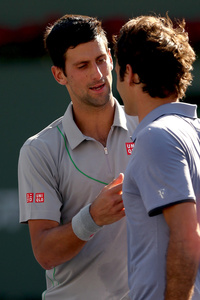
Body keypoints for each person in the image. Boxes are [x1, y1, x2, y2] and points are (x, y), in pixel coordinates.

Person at [18, 14, 138, 300]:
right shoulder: (39, 151)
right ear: (59, 75)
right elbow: (45, 254)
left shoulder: (149, 127)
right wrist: (93, 217)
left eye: (100, 59)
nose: (97, 74)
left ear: (111, 57)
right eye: (83, 66)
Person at [113, 14, 200, 300]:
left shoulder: (156, 137)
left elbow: (187, 237)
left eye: (117, 72)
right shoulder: (192, 131)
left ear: (131, 73)